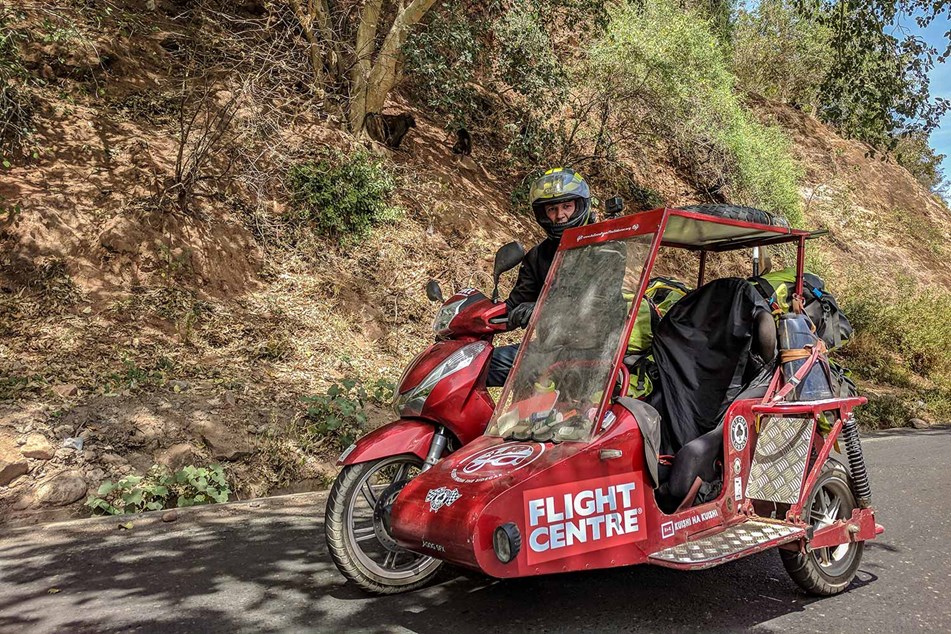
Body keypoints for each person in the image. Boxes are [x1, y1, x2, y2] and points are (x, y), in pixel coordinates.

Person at [486, 167, 595, 387]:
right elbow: (515, 304)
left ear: (580, 205)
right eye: (552, 209)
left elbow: (597, 305)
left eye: (567, 206)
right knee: (478, 365)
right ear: (543, 214)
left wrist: (541, 310)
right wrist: (474, 318)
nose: (560, 215)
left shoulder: (605, 247)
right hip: (548, 349)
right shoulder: (538, 255)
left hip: (592, 352)